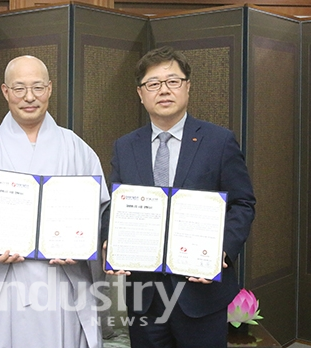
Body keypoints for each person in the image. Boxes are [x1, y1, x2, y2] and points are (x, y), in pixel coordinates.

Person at [0, 55, 110, 348]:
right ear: (5, 91)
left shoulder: (78, 150)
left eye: (37, 87)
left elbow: (100, 216)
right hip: (1, 284)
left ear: (50, 89)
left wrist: (83, 246)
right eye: (19, 88)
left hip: (60, 284)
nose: (29, 97)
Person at [104, 46, 256, 347]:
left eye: (173, 81)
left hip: (200, 293)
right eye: (153, 83)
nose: (164, 90)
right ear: (140, 93)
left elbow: (243, 203)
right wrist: (110, 239)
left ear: (187, 86)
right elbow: (116, 205)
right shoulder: (125, 147)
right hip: (144, 294)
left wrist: (221, 251)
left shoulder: (218, 141)